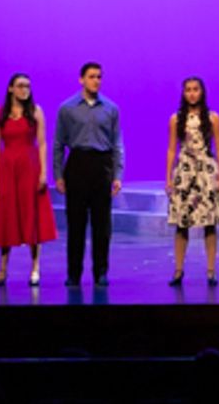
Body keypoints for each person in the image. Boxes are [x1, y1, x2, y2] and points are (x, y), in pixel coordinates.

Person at [53, 62, 124, 287]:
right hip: (77, 163)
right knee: (76, 223)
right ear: (81, 79)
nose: (96, 80)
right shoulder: (67, 108)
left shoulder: (111, 108)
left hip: (101, 164)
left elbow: (117, 144)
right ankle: (74, 273)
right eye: (92, 76)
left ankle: (100, 271)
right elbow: (58, 143)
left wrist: (117, 175)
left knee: (102, 225)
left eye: (99, 77)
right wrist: (58, 175)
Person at [0, 74, 57, 286]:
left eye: (27, 86)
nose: (24, 89)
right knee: (7, 216)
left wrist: (44, 172)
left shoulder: (35, 111)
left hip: (29, 167)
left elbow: (42, 143)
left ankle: (35, 268)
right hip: (7, 168)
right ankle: (2, 269)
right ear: (10, 89)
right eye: (20, 86)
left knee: (31, 215)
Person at [165, 76, 219, 286]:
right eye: (188, 90)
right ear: (183, 93)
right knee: (182, 224)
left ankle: (211, 270)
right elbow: (172, 149)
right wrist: (168, 178)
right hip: (184, 172)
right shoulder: (176, 119)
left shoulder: (212, 118)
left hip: (206, 172)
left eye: (195, 89)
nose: (192, 93)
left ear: (202, 92)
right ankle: (178, 270)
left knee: (209, 224)